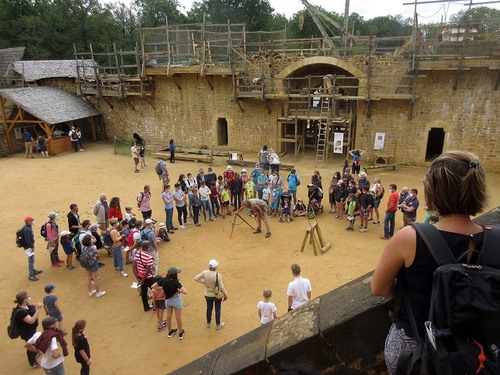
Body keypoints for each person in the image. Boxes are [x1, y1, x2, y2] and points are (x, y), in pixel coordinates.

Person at [371, 151, 491, 375]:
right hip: (477, 350)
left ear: (432, 193)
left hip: (418, 347)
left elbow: (379, 288)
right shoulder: (495, 239)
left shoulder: (410, 237)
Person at [194, 259, 228, 330]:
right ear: (215, 267)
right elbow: (221, 287)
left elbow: (196, 278)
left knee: (209, 308)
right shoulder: (217, 275)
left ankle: (208, 322)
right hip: (216, 295)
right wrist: (226, 294)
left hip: (208, 294)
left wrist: (204, 282)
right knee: (217, 309)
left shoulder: (204, 272)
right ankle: (218, 324)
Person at [156, 266, 188, 339]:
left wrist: (162, 290)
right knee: (178, 318)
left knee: (168, 317)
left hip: (168, 301)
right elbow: (185, 291)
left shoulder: (163, 280)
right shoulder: (175, 282)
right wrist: (178, 291)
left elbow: (153, 286)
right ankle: (180, 333)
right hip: (176, 300)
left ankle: (170, 332)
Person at [14, 291, 43, 368]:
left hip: (31, 330)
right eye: (28, 296)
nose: (29, 297)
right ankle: (33, 363)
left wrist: (34, 305)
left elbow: (30, 308)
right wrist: (38, 310)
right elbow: (31, 321)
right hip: (27, 332)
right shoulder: (21, 312)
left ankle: (34, 353)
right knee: (30, 345)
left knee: (33, 342)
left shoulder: (25, 305)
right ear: (24, 299)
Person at [132, 240, 155, 312]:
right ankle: (155, 306)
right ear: (148, 247)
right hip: (148, 277)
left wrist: (139, 279)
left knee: (144, 292)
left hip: (140, 275)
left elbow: (134, 267)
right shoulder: (149, 257)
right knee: (155, 290)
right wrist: (142, 280)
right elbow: (148, 271)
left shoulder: (138, 253)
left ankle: (146, 307)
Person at [21, 216, 43, 281]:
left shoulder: (27, 227)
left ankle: (33, 270)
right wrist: (32, 246)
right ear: (28, 222)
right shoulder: (27, 229)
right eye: (32, 220)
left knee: (31, 260)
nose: (33, 221)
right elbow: (27, 240)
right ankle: (31, 275)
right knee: (31, 260)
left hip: (28, 246)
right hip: (28, 247)